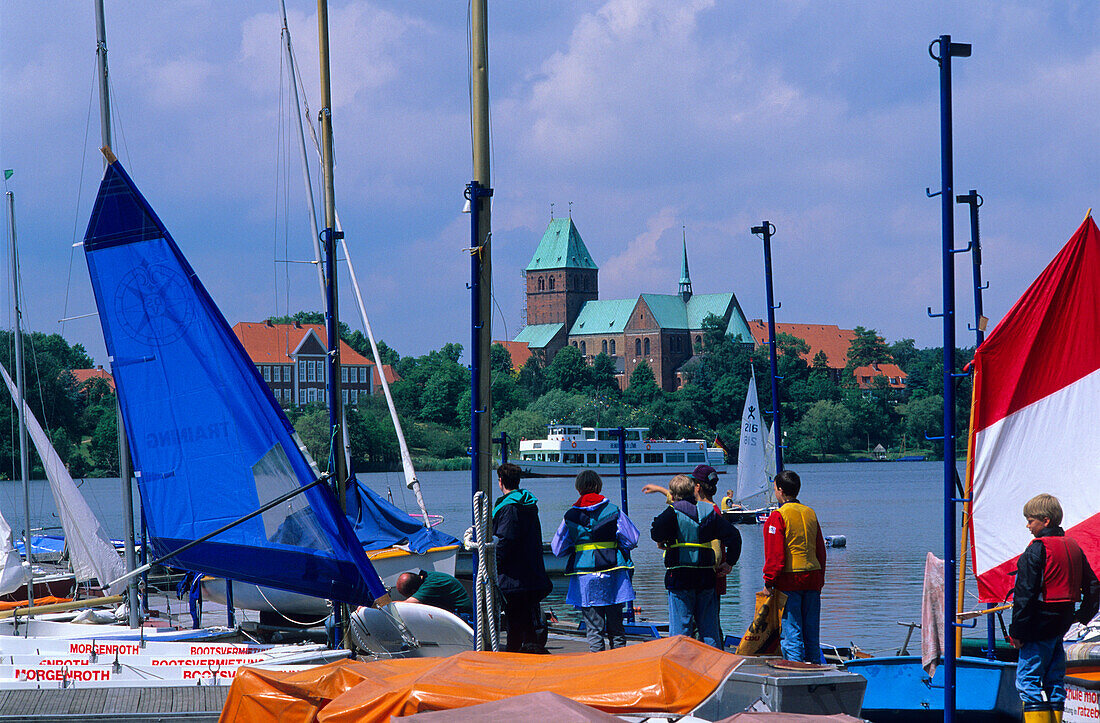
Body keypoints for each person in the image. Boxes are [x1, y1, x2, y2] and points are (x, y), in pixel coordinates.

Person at [1009, 494, 1099, 723]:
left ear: (1045, 521)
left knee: (1028, 680)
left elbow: (1024, 596)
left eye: (1030, 521)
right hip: (1062, 624)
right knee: (1054, 680)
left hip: (1037, 626)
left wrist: (1016, 632)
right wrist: (1083, 616)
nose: (1028, 526)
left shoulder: (1036, 550)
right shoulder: (1073, 546)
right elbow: (1093, 585)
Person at [552, 469, 639, 652]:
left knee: (594, 629)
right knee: (616, 627)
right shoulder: (613, 510)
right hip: (613, 571)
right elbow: (632, 539)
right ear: (598, 486)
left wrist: (576, 545)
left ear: (578, 489)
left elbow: (557, 549)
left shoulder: (570, 516)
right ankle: (620, 665)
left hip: (585, 575)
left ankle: (597, 667)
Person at [651, 473, 739, 648]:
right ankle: (713, 667)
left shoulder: (671, 513)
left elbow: (655, 533)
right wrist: (730, 562)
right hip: (706, 576)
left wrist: (663, 540)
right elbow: (734, 536)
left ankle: (681, 668)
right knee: (709, 629)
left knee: (681, 628)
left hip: (680, 577)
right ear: (692, 491)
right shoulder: (708, 512)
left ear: (673, 494)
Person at [763, 469, 826, 663]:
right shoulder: (810, 513)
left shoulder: (777, 516)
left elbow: (776, 554)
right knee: (811, 636)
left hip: (790, 580)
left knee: (792, 635)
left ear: (780, 490)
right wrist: (820, 580)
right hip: (813, 577)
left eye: (775, 489)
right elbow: (820, 551)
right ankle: (815, 674)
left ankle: (795, 674)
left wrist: (769, 582)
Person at [493, 462, 552, 653]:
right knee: (526, 621)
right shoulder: (528, 504)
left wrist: (495, 564)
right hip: (531, 572)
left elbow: (505, 540)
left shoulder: (509, 508)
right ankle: (529, 654)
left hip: (514, 578)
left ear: (500, 481)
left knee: (515, 623)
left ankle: (515, 658)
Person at [395, 569, 471, 617]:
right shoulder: (426, 577)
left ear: (413, 591)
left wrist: (386, 604)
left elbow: (407, 604)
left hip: (464, 615)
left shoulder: (430, 586)